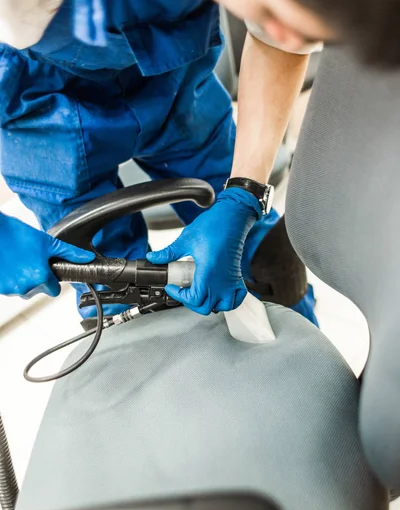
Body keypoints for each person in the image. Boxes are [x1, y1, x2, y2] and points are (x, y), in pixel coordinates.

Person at [0, 1, 321, 322]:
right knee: (114, 287)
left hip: (169, 66)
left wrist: (244, 195)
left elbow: (278, 37)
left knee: (259, 252)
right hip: (36, 96)